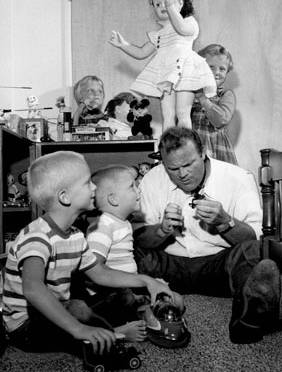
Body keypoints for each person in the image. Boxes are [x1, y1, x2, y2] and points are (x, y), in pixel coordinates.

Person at [2, 151, 178, 355]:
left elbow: (100, 273)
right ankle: (112, 333)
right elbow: (33, 289)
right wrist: (79, 328)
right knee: (78, 311)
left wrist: (148, 281)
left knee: (111, 296)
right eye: (87, 183)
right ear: (64, 197)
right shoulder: (37, 237)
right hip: (27, 325)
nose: (95, 187)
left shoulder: (76, 235)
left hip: (60, 308)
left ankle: (104, 328)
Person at [132, 126, 282, 344]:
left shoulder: (238, 177)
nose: (182, 174)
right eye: (172, 168)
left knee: (254, 253)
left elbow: (253, 239)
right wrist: (161, 230)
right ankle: (132, 306)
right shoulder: (153, 178)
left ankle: (247, 320)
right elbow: (139, 236)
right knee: (128, 247)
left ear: (203, 153)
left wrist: (225, 222)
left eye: (189, 164)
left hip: (219, 269)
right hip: (169, 268)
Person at [86, 164, 184, 341]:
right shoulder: (102, 228)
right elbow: (93, 270)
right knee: (125, 297)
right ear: (114, 199)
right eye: (132, 186)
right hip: (109, 295)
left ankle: (145, 314)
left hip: (130, 288)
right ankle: (118, 331)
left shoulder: (123, 223)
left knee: (176, 299)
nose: (139, 190)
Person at [109, 0, 216, 131]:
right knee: (168, 113)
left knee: (183, 112)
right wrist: (123, 45)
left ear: (180, 3)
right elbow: (141, 52)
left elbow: (181, 29)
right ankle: (167, 146)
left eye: (166, 2)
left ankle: (185, 146)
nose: (162, 7)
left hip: (185, 71)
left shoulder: (189, 23)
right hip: (166, 74)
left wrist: (172, 8)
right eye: (157, 4)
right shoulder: (159, 34)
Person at [191, 44, 238, 165]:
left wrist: (202, 99)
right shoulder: (190, 93)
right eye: (211, 67)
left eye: (222, 69)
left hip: (217, 149)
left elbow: (220, 120)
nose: (216, 72)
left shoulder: (226, 95)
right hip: (193, 147)